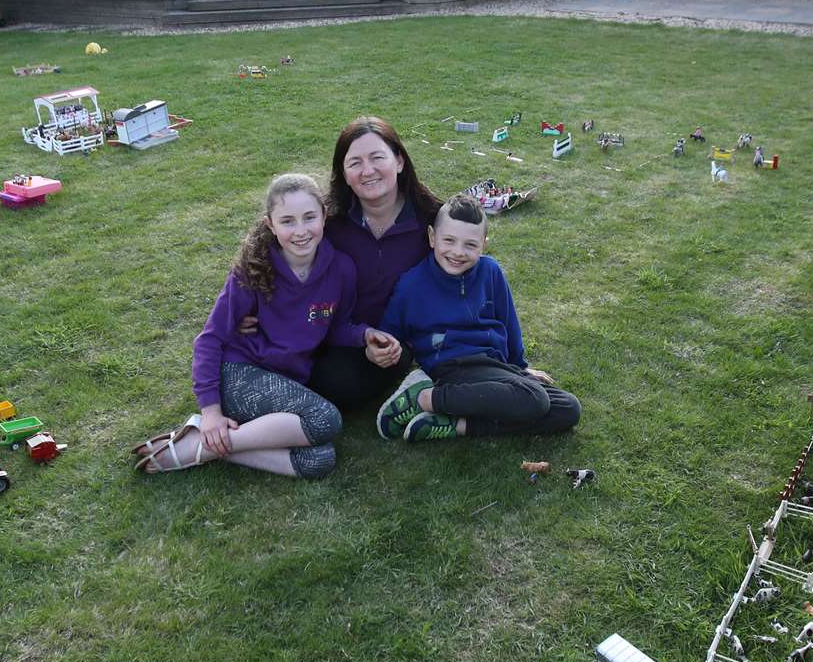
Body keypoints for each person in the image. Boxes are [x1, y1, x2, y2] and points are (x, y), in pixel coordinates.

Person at [132, 173, 395, 477]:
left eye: (309, 217)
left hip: (285, 381)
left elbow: (336, 328)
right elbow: (209, 340)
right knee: (325, 419)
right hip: (238, 374)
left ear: (324, 216)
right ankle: (208, 435)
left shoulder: (342, 269)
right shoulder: (254, 270)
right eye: (287, 221)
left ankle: (206, 446)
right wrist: (211, 412)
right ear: (271, 224)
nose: (300, 231)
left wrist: (365, 334)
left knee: (320, 459)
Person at [373, 194, 580, 443]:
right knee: (534, 399)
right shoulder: (412, 285)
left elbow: (508, 322)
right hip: (452, 368)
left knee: (567, 408)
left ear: (484, 244)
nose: (458, 252)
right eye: (449, 240)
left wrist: (520, 367)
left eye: (470, 245)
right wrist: (381, 347)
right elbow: (389, 331)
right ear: (431, 237)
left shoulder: (490, 271)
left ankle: (455, 425)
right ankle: (425, 398)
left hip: (494, 367)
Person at [310, 115, 443, 410]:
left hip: (392, 341)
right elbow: (272, 240)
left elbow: (472, 277)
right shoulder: (328, 219)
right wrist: (251, 305)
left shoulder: (433, 219)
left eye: (377, 158)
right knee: (287, 361)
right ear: (343, 173)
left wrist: (510, 359)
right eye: (354, 162)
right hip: (328, 328)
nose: (367, 171)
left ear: (399, 161)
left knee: (340, 386)